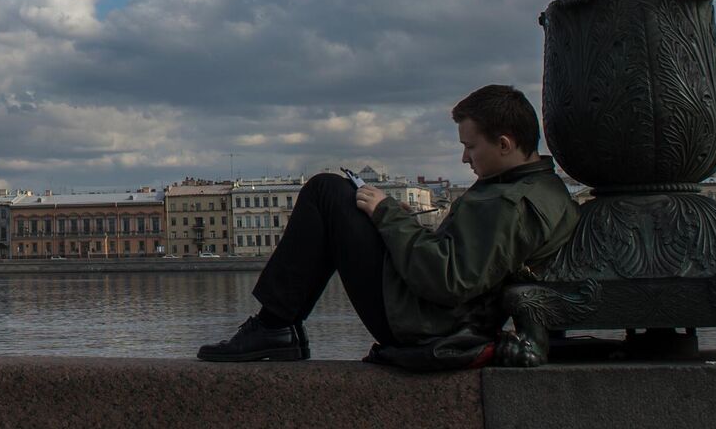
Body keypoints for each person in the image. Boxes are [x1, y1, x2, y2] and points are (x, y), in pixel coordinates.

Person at [196, 84, 579, 362]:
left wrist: (387, 213)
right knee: (338, 195)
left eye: (470, 146)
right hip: (441, 317)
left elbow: (447, 279)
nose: (465, 158)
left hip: (424, 323)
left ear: (505, 144)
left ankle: (275, 326)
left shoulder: (511, 202)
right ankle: (277, 328)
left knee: (326, 192)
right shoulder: (538, 189)